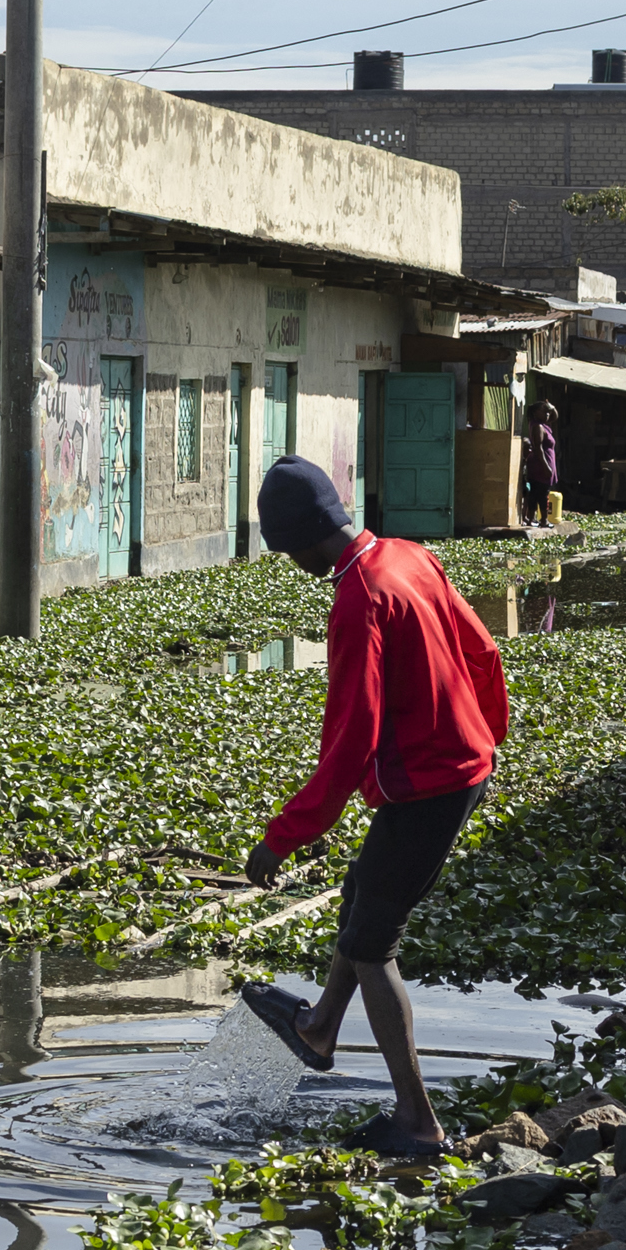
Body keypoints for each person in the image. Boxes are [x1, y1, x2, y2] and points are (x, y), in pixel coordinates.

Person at [236, 456, 512, 1160]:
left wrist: (284, 836)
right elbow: (482, 649)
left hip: (433, 784)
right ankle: (320, 1028)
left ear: (299, 542)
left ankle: (417, 1122)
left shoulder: (359, 599)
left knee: (371, 945)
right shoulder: (407, 556)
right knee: (362, 892)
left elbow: (351, 739)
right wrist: (486, 735)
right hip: (455, 767)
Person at [526, 402, 566, 527]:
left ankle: (534, 519)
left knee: (540, 492)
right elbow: (538, 448)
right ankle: (542, 519)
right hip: (540, 465)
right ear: (535, 413)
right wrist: (546, 466)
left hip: (545, 464)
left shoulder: (544, 425)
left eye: (548, 412)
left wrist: (551, 407)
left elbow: (554, 416)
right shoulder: (538, 427)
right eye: (544, 412)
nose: (547, 414)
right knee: (540, 494)